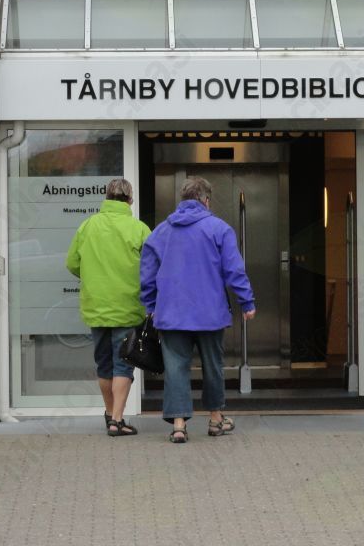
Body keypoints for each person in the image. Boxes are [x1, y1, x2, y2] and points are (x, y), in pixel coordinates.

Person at [140, 176, 256, 444]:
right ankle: (215, 419)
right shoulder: (219, 229)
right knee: (213, 366)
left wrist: (151, 304)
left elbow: (147, 275)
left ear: (182, 199)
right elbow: (234, 270)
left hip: (171, 314)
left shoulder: (160, 232)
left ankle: (179, 425)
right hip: (210, 314)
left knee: (176, 368)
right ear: (206, 200)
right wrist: (246, 302)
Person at [66, 177, 151, 437]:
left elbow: (72, 263)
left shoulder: (88, 226)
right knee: (123, 364)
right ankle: (117, 420)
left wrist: (93, 278)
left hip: (96, 307)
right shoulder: (139, 229)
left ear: (106, 197)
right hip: (127, 308)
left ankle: (110, 413)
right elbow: (152, 267)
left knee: (104, 364)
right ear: (130, 200)